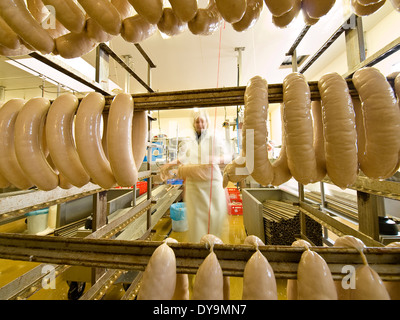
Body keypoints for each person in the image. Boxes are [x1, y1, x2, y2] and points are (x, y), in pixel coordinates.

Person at [160, 111, 230, 242]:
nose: (200, 124)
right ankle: (199, 252)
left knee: (214, 218)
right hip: (194, 186)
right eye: (197, 121)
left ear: (207, 122)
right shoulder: (190, 139)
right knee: (196, 221)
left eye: (202, 121)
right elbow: (185, 157)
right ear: (194, 123)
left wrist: (214, 159)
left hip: (211, 183)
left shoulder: (215, 137)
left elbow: (227, 157)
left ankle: (214, 251)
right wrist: (169, 165)